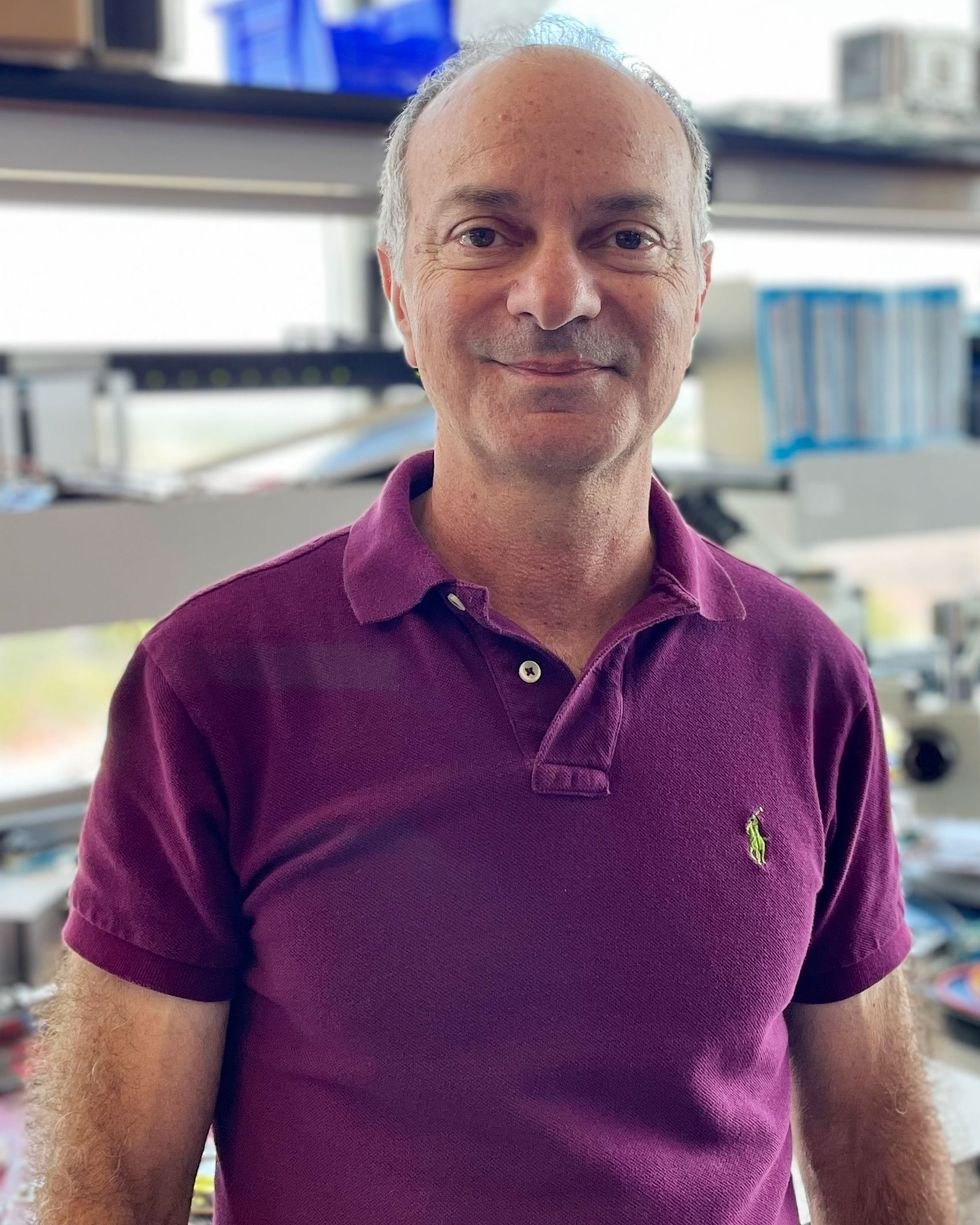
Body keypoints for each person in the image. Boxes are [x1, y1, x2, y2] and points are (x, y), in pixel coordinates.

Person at [25, 16, 958, 1225]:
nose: (556, 294)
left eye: (625, 234)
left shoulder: (806, 672)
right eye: (485, 232)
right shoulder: (211, 679)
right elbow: (111, 1185)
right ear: (400, 290)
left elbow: (870, 1109)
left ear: (694, 287)